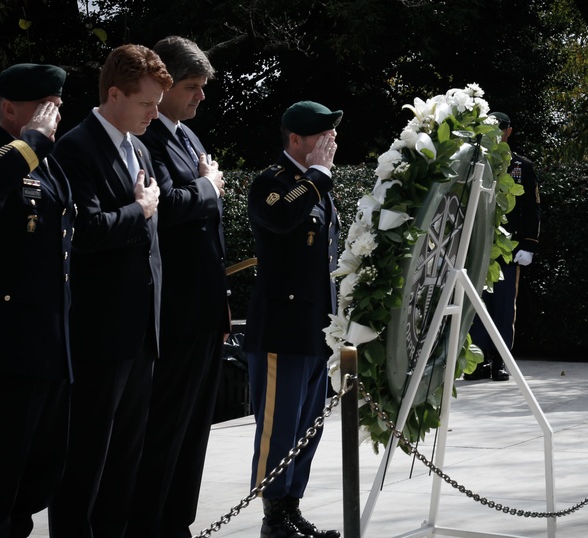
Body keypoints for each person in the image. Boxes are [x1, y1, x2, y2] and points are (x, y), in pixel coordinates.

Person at [46, 44, 171, 538]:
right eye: (146, 103)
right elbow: (86, 233)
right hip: (99, 331)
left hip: (140, 327)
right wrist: (139, 210)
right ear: (114, 94)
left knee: (125, 455)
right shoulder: (76, 148)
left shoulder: (138, 146)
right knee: (87, 456)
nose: (155, 113)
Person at [0, 63, 74, 537]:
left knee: (37, 478)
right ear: (10, 108)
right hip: (1, 346)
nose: (56, 113)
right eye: (47, 105)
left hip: (48, 343)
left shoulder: (50, 167)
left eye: (58, 105)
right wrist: (33, 140)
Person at [126, 35, 229, 537]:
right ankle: (151, 522)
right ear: (162, 86)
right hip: (174, 313)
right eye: (191, 87)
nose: (200, 97)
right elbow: (165, 207)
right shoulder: (145, 139)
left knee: (193, 430)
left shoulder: (188, 137)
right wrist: (208, 187)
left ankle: (177, 520)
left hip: (204, 309)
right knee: (165, 428)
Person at [246, 100, 342, 538]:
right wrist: (317, 176)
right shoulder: (271, 182)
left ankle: (291, 505)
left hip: (315, 328)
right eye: (322, 135)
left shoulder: (318, 187)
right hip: (282, 329)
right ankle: (272, 515)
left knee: (307, 426)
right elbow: (282, 217)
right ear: (296, 139)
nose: (331, 142)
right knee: (278, 428)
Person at [465, 111, 540, 382]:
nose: (497, 134)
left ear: (509, 132)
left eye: (501, 129)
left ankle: (500, 360)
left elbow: (532, 209)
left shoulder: (522, 166)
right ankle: (478, 359)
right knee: (477, 306)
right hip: (477, 246)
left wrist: (529, 245)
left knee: (504, 306)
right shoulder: (473, 162)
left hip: (509, 248)